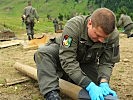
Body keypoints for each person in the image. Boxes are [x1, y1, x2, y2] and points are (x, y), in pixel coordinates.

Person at [34, 8, 120, 100]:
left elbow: (107, 62)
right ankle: (51, 94)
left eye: (104, 37)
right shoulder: (73, 26)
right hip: (62, 56)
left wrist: (104, 81)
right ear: (89, 23)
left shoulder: (113, 35)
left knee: (95, 89)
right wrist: (88, 85)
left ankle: (69, 77)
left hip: (85, 62)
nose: (101, 40)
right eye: (97, 35)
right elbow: (67, 59)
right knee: (43, 53)